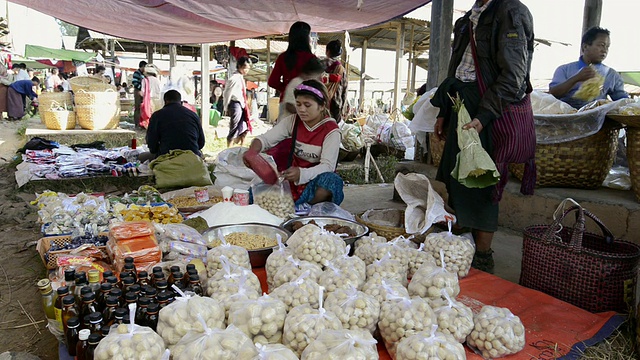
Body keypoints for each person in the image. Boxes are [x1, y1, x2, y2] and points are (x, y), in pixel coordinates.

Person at [431, 0, 535, 273]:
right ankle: (462, 245)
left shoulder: (511, 12)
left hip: (487, 108)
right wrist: (444, 111)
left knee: (482, 181)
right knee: (458, 177)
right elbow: (456, 69)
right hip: (461, 105)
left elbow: (514, 76)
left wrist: (485, 115)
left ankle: (483, 256)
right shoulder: (468, 18)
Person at [244, 79, 344, 209]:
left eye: (307, 105)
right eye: (298, 104)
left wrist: (301, 174)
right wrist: (252, 152)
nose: (301, 109)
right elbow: (266, 139)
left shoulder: (331, 130)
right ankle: (295, 206)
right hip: (292, 181)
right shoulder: (293, 121)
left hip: (314, 182)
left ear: (322, 106)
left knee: (330, 181)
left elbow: (327, 166)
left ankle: (307, 207)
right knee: (253, 195)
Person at [548, 27, 628, 109]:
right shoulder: (564, 70)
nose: (604, 50)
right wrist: (576, 78)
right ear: (585, 47)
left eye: (607, 47)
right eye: (601, 45)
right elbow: (553, 93)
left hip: (598, 119)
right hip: (567, 117)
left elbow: (623, 100)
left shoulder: (611, 74)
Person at [141, 90, 205, 162]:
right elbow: (201, 143)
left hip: (167, 157)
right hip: (192, 157)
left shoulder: (157, 115)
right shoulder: (193, 115)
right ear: (181, 102)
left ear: (165, 102)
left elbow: (152, 144)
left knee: (141, 157)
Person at [268, 21, 316, 105]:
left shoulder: (283, 57)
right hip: (307, 104)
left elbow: (272, 82)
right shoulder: (312, 59)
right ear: (306, 38)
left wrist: (288, 88)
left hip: (287, 102)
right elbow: (318, 83)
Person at [278, 57, 324, 122]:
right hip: (289, 123)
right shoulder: (296, 83)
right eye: (317, 75)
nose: (319, 78)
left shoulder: (310, 86)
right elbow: (289, 106)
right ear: (309, 73)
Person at [223, 56, 251, 147]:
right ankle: (229, 147)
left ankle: (242, 146)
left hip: (242, 104)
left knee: (245, 126)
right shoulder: (234, 78)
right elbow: (227, 93)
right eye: (245, 68)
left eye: (248, 68)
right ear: (239, 66)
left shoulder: (241, 78)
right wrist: (226, 107)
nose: (246, 70)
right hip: (235, 103)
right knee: (234, 127)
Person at [323, 39, 348, 123]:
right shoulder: (342, 70)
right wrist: (343, 107)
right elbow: (345, 90)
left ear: (327, 51)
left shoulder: (320, 64)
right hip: (336, 104)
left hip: (320, 102)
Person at [131, 60, 147, 128]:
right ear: (142, 66)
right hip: (138, 91)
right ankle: (137, 124)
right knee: (138, 107)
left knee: (143, 107)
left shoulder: (144, 74)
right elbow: (134, 82)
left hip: (143, 91)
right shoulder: (136, 73)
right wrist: (141, 88)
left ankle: (142, 123)